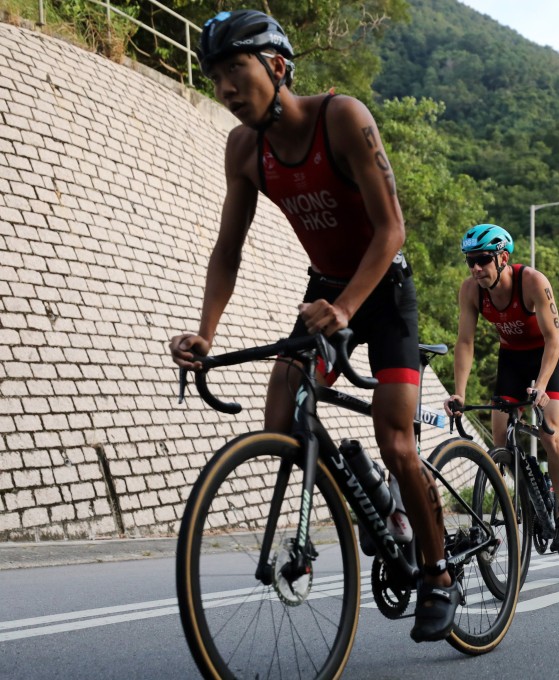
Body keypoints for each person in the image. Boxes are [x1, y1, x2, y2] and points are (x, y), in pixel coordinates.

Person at [167, 9, 457, 643]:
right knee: (281, 421)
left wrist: (349, 309)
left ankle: (438, 574)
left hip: (382, 294)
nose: (224, 90)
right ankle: (376, 506)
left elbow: (392, 230)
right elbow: (228, 250)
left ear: (275, 67)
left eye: (235, 71)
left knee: (398, 440)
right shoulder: (244, 148)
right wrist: (206, 333)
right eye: (215, 77)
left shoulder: (343, 118)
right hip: (323, 292)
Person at [444, 224, 559, 549]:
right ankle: (530, 494)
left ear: (503, 257)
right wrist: (458, 392)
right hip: (512, 360)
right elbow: (465, 342)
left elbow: (553, 339)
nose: (476, 268)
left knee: (550, 434)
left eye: (483, 260)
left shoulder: (532, 281)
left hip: (546, 356)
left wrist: (542, 386)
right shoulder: (471, 290)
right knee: (501, 443)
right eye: (470, 261)